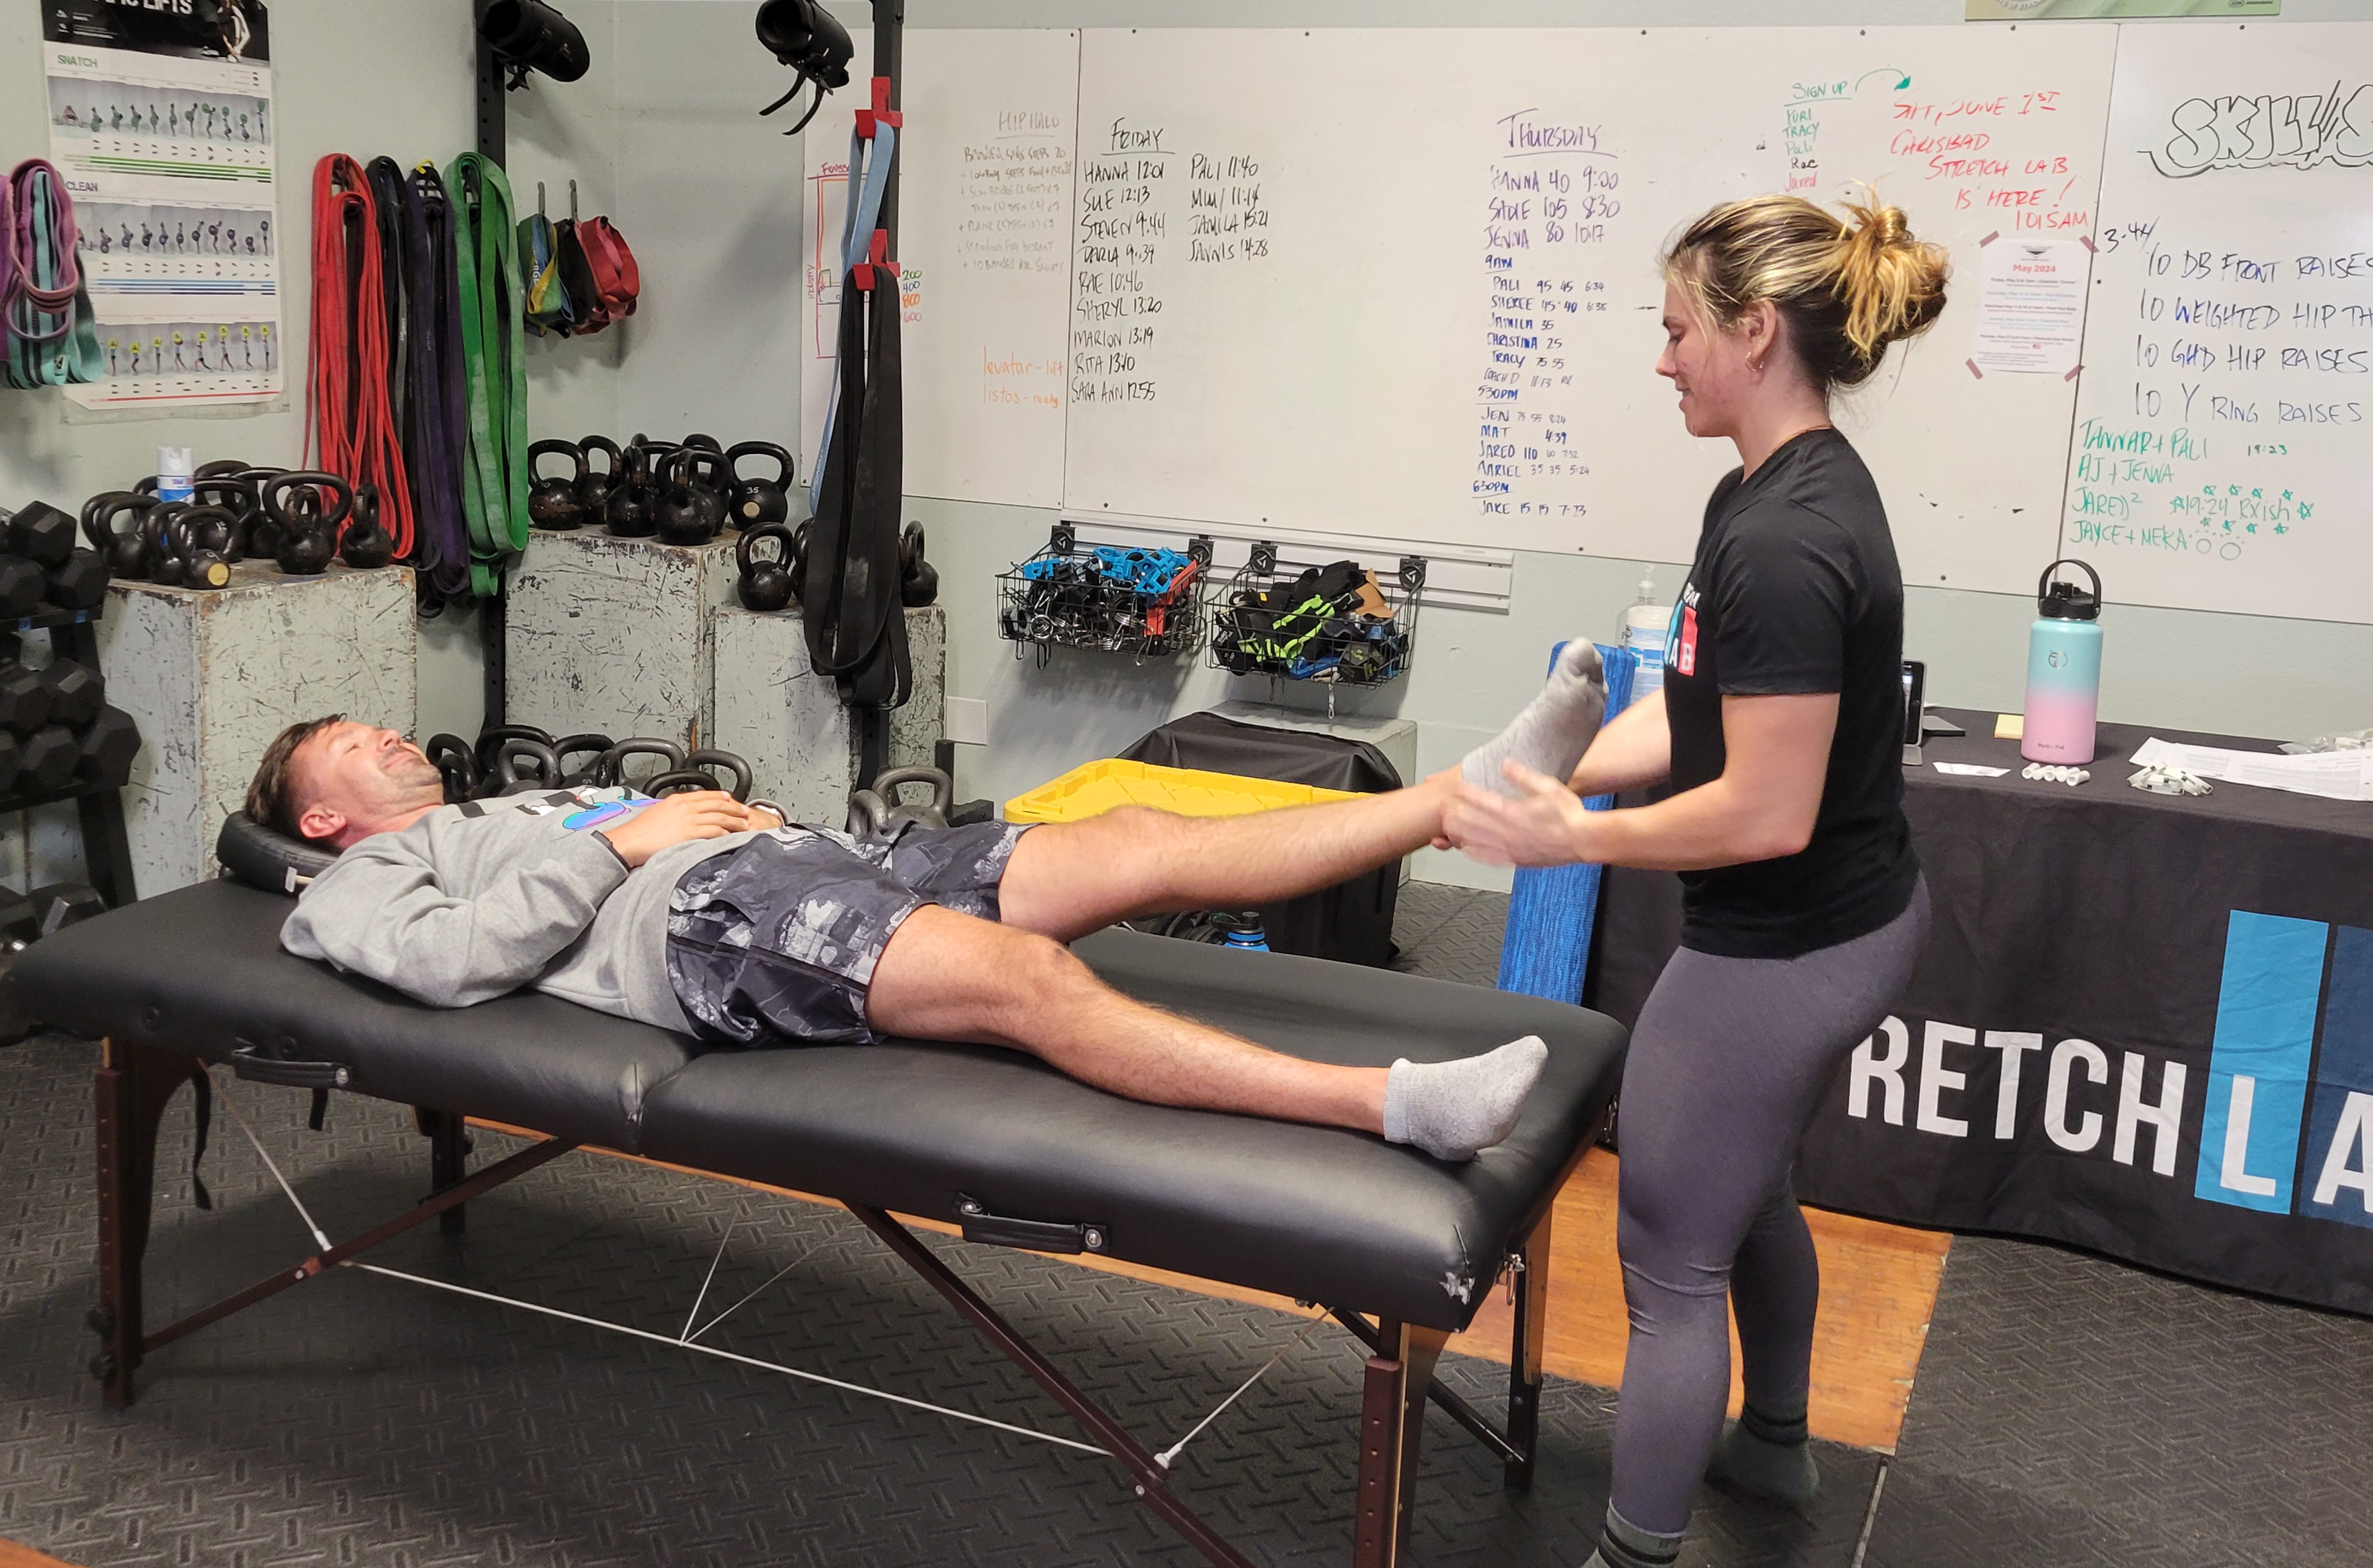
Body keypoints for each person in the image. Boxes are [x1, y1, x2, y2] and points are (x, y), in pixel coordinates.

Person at [1443, 191, 1948, 1568]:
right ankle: (1773, 1446)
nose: (1662, 359)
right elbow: (1693, 720)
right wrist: (1535, 784)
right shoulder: (1759, 496)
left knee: (1671, 1260)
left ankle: (1635, 1552)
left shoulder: (1786, 540)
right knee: (1747, 1184)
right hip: (1837, 919)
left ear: (1757, 330)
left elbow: (1764, 811)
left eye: (1678, 332)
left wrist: (1572, 838)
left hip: (1792, 946)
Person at [244, 715, 1603, 1164]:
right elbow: (453, 963)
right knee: (1029, 979)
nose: (387, 733)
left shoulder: (502, 801)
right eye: (351, 742)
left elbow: (627, 837)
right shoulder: (352, 880)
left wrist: (711, 816)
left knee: (1133, 835)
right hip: (713, 928)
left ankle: (1457, 799)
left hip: (789, 858)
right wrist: (625, 842)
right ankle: (1391, 1109)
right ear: (319, 813)